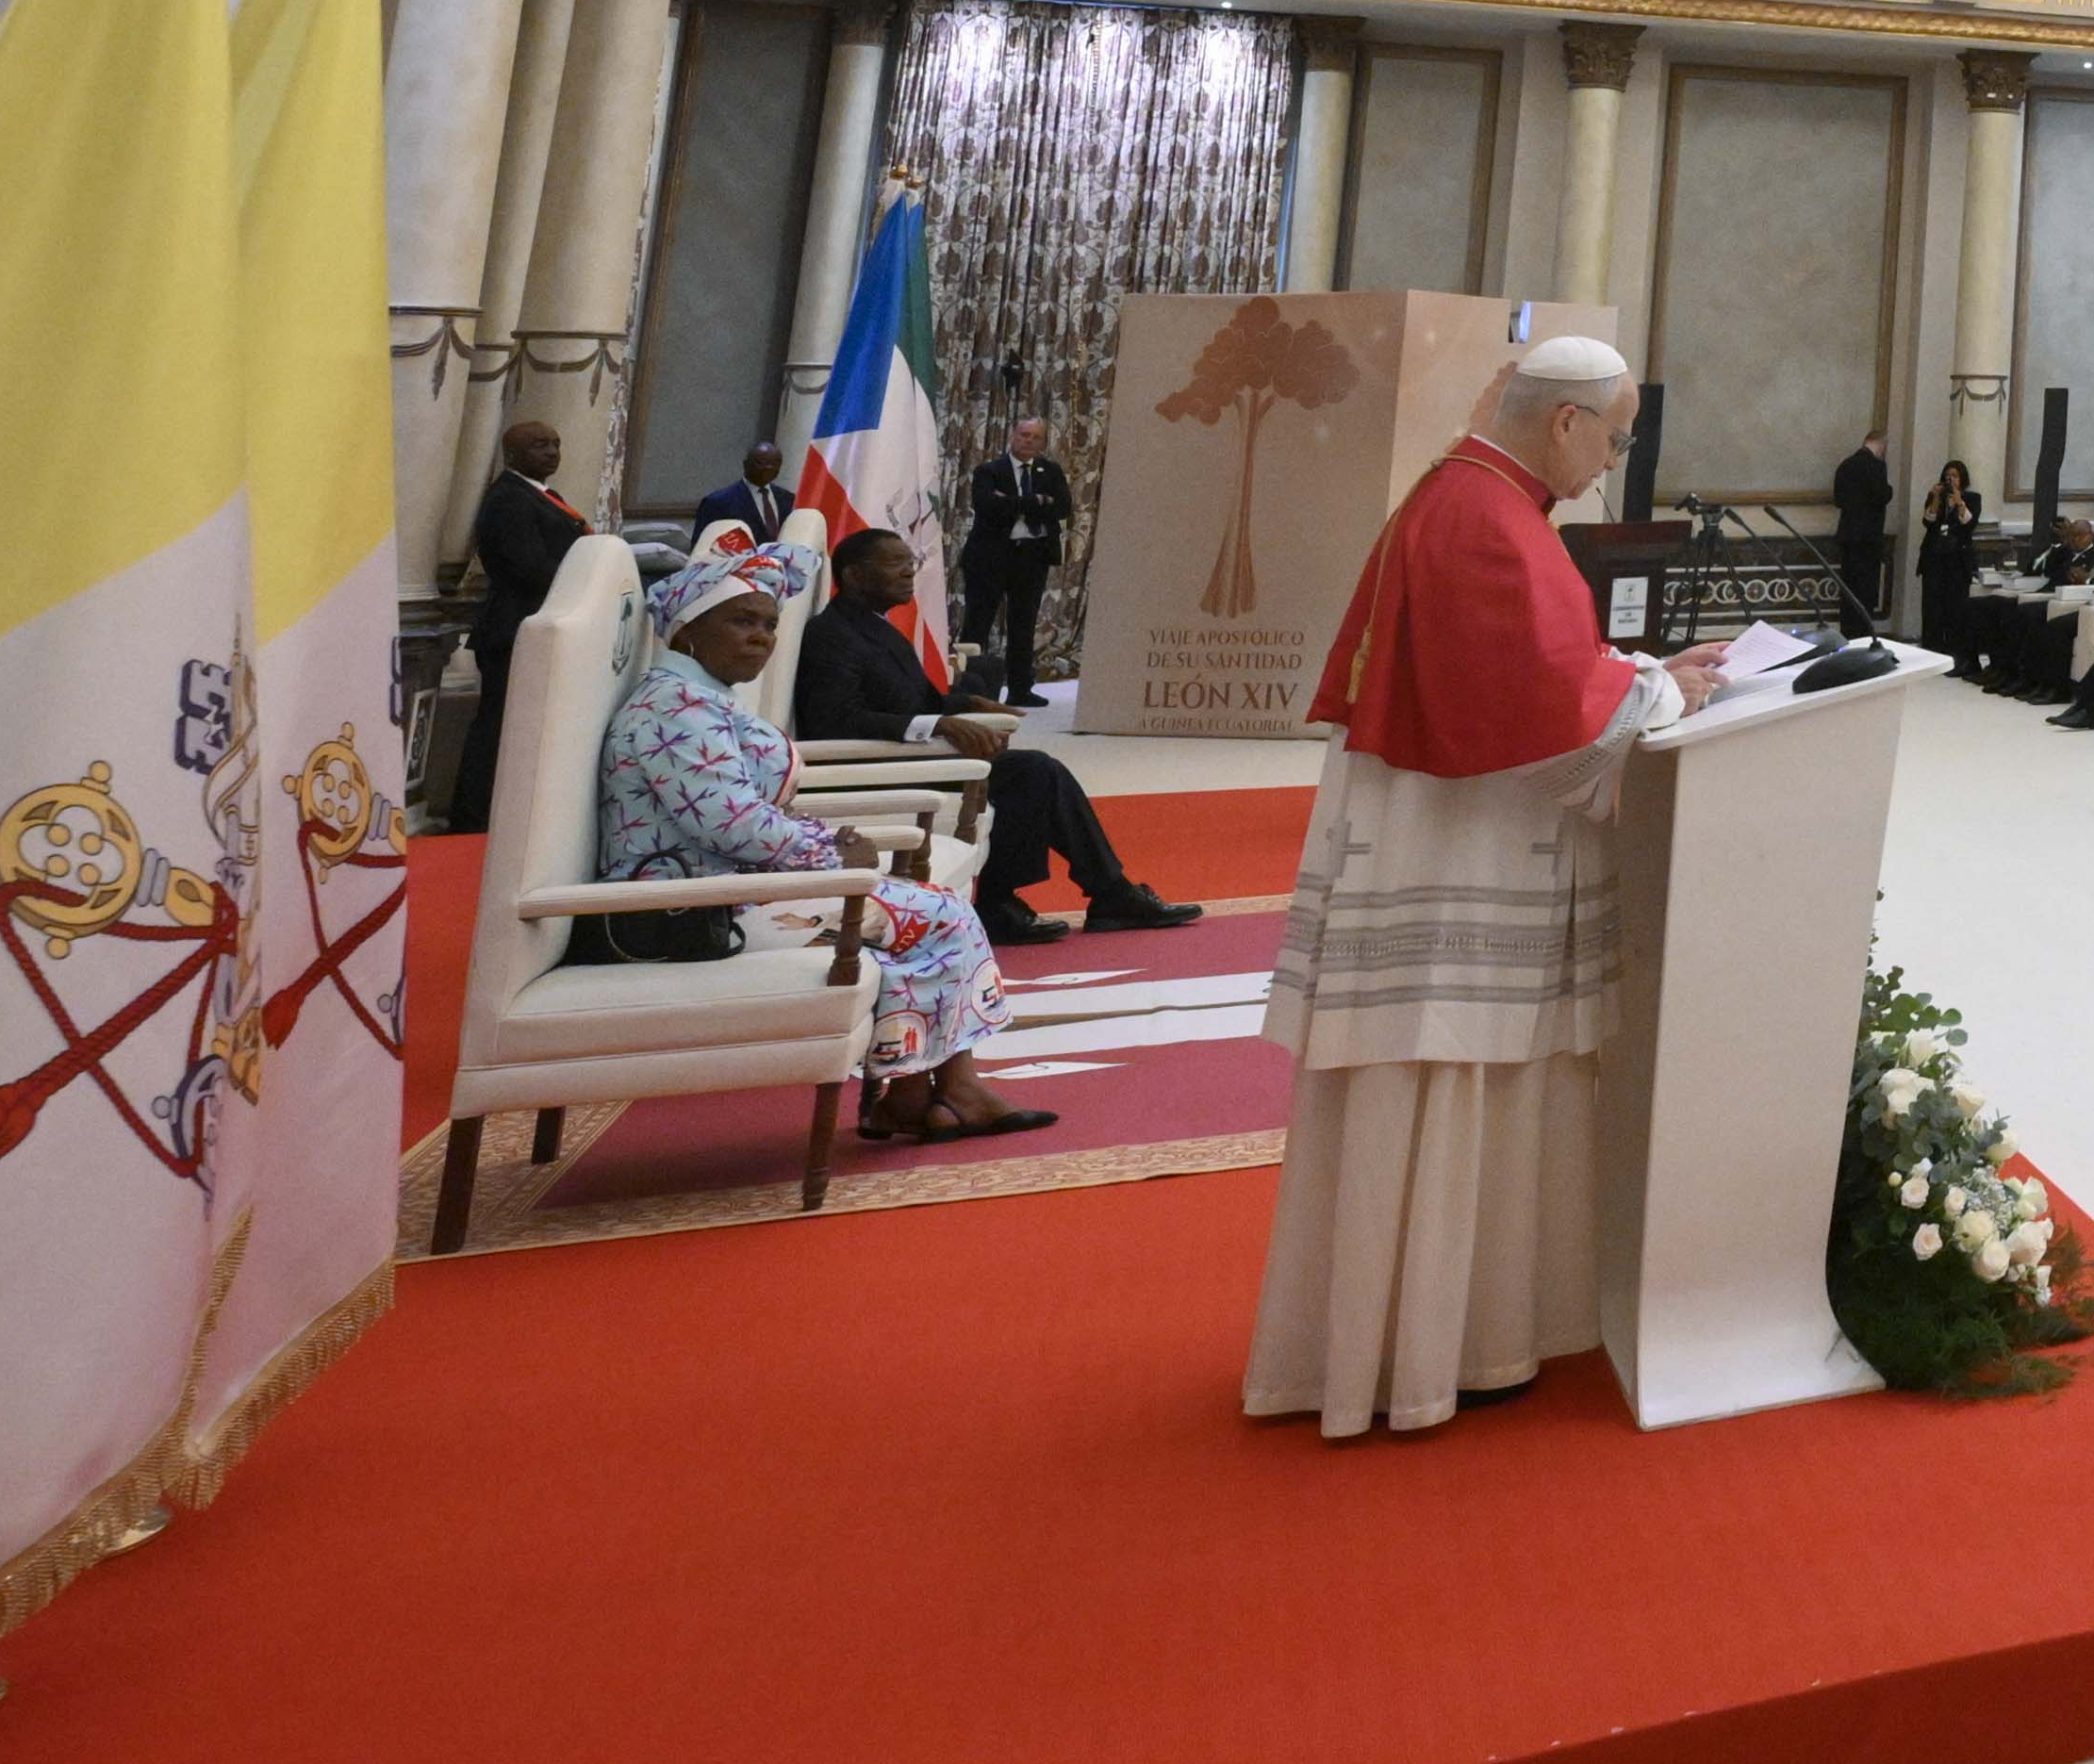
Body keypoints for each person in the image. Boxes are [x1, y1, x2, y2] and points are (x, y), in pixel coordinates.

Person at [1248, 338, 1738, 1443]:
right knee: (1446, 1070)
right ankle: (1428, 1353)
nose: (1608, 466)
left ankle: (1455, 1333)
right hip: (1451, 864)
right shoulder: (1484, 513)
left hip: (1446, 843)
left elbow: (1541, 676)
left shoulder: (1475, 497)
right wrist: (1665, 689)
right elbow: (1547, 715)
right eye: (1611, 440)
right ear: (1564, 422)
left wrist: (1651, 678)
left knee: (1458, 1085)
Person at [589, 533, 1037, 1142]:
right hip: (688, 913)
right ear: (687, 629)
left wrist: (825, 842)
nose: (762, 636)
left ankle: (914, 1093)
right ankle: (946, 1092)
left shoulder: (699, 697)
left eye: (770, 624)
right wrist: (831, 851)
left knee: (918, 916)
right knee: (939, 914)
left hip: (728, 893)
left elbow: (737, 815)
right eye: (742, 620)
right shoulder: (674, 709)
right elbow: (732, 823)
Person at [794, 527, 1197, 940]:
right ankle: (1020, 900)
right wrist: (938, 724)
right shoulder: (832, 635)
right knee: (1032, 773)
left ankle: (1039, 898)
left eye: (910, 563)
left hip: (907, 754)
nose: (908, 573)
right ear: (856, 575)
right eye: (895, 563)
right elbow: (834, 718)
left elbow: (909, 699)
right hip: (874, 769)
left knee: (1029, 773)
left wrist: (965, 705)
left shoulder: (875, 626)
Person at [452, 415, 590, 827]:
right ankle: (472, 818)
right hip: (512, 630)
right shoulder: (509, 498)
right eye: (539, 445)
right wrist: (582, 577)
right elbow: (528, 566)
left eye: (555, 443)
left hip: (535, 626)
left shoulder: (543, 494)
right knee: (496, 728)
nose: (551, 452)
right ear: (511, 454)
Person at [951, 414, 1072, 680]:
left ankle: (1020, 687)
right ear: (1013, 436)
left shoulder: (1050, 471)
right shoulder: (989, 471)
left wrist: (1013, 501)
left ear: (1043, 443)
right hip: (990, 557)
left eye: (1036, 437)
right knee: (978, 623)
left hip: (1032, 557)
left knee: (1023, 624)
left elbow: (1063, 508)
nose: (1029, 441)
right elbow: (987, 506)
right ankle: (971, 684)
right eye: (1024, 435)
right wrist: (1037, 501)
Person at [1826, 429, 1893, 646]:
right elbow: (1882, 495)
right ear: (1882, 445)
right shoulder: (1876, 466)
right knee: (1865, 590)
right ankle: (1863, 637)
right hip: (1868, 539)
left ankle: (1848, 634)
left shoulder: (1846, 465)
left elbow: (1838, 499)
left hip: (1848, 537)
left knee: (1848, 589)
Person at [1910, 455, 1983, 644]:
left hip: (1957, 559)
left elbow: (1969, 524)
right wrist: (1935, 498)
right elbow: (1928, 521)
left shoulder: (1972, 498)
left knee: (1955, 606)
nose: (1951, 479)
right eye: (1947, 475)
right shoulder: (1936, 496)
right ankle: (1931, 644)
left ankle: (1954, 647)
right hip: (1934, 557)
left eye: (1955, 476)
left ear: (1963, 479)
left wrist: (1959, 502)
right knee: (1932, 605)